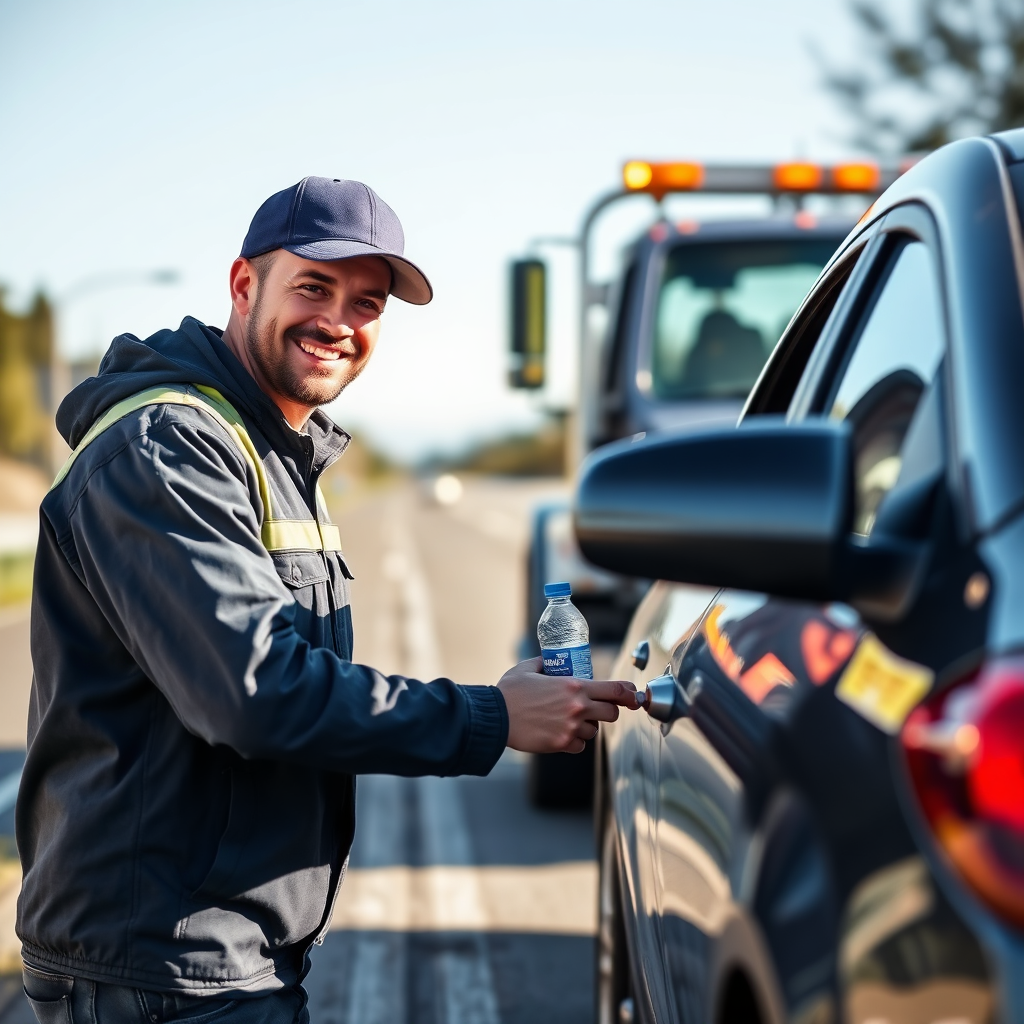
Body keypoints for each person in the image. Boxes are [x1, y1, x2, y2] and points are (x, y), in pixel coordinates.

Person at [17, 178, 640, 1024]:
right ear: (245, 286)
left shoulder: (269, 449)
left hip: (222, 954)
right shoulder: (168, 449)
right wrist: (493, 718)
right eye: (313, 286)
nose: (339, 321)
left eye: (368, 302)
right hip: (162, 968)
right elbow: (258, 693)